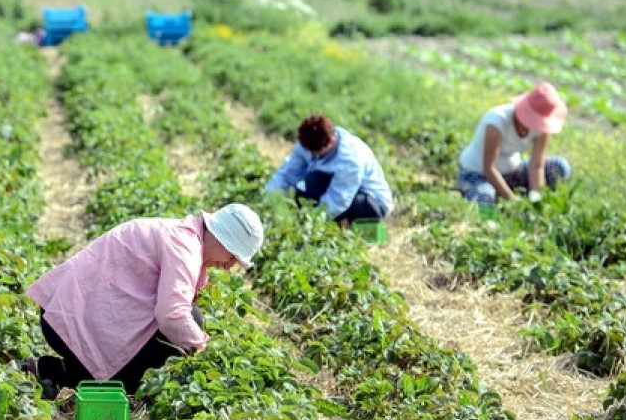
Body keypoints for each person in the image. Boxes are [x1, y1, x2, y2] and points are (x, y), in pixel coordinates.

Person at [22, 203, 264, 399]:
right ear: (221, 239)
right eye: (232, 256)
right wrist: (206, 353)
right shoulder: (184, 246)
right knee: (186, 326)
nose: (230, 266)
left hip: (67, 315)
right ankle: (63, 373)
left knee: (165, 342)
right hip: (67, 320)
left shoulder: (184, 238)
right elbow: (172, 314)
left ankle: (49, 372)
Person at [265, 113, 393, 228]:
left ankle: (344, 225)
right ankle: (337, 222)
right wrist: (269, 198)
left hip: (370, 202)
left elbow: (339, 200)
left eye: (316, 153)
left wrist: (309, 222)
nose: (312, 156)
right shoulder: (307, 143)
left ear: (331, 142)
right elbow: (287, 174)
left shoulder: (349, 158)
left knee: (346, 204)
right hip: (337, 191)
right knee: (305, 187)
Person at [457, 81, 571, 207]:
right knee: (485, 197)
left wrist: (536, 198)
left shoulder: (542, 129)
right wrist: (513, 201)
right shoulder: (496, 122)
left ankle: (514, 194)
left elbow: (537, 165)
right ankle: (491, 206)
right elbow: (489, 169)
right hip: (479, 174)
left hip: (512, 171)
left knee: (560, 167)